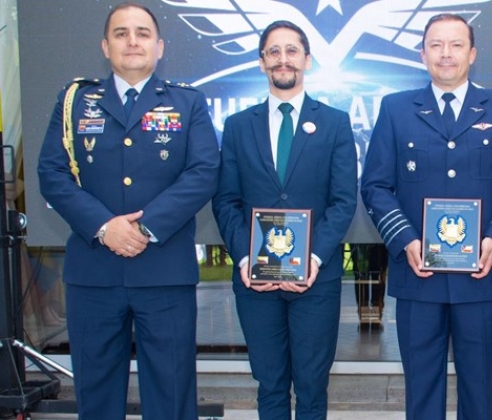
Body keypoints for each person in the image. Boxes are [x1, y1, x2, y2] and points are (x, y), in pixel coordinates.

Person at [36, 3, 219, 419]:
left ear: (159, 46)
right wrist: (104, 227)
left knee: (171, 392)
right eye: (121, 33)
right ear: (105, 46)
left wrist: (146, 227)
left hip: (164, 269)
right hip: (94, 272)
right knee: (96, 390)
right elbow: (52, 173)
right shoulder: (75, 102)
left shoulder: (187, 103)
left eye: (141, 33)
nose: (132, 41)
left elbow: (204, 172)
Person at [360, 13, 492, 420]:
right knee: (421, 392)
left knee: (479, 392)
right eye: (436, 45)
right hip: (417, 277)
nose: (446, 54)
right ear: (422, 54)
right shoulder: (396, 109)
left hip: (480, 275)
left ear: (472, 53)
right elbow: (375, 186)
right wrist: (406, 240)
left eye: (456, 44)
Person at [211, 20, 357, 420]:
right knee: (270, 384)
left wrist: (314, 258)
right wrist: (246, 259)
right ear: (262, 62)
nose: (283, 59)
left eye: (292, 51)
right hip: (256, 283)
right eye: (273, 52)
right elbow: (226, 201)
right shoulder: (238, 126)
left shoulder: (335, 123)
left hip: (315, 279)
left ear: (306, 60)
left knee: (311, 386)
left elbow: (343, 201)